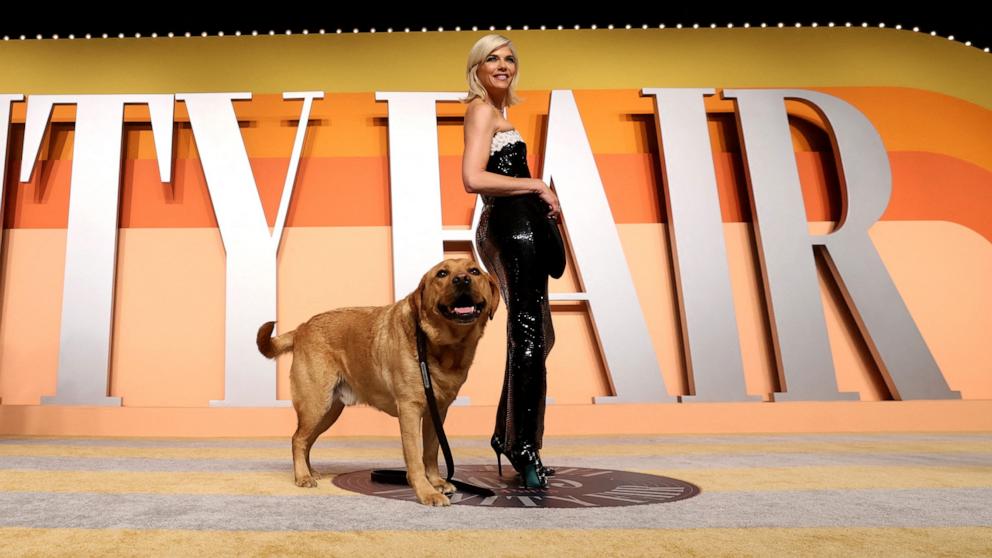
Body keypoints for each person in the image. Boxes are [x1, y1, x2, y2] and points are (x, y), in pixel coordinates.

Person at [461, 34, 561, 489]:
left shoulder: (502, 115)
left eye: (508, 58)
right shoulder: (482, 110)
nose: (502, 65)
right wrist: (537, 185)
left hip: (519, 226)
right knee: (527, 330)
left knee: (540, 333)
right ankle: (523, 446)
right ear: (478, 70)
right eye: (492, 59)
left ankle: (509, 434)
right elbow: (473, 177)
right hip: (507, 227)